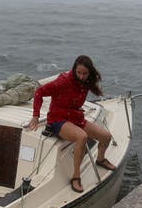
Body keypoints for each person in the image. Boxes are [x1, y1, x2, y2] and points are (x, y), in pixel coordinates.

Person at [28, 55, 116, 193]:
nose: (81, 76)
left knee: (106, 136)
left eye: (85, 73)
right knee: (82, 137)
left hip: (75, 117)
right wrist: (35, 115)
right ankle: (76, 177)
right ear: (74, 70)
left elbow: (88, 89)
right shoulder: (63, 81)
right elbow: (39, 92)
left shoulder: (86, 82)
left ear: (90, 73)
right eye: (79, 72)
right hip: (58, 119)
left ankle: (100, 159)